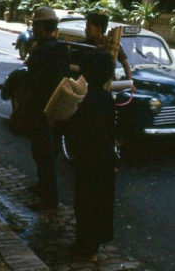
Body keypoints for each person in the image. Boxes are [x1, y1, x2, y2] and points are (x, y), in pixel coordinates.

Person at [68, 49, 117, 261]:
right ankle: (94, 245)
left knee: (86, 202)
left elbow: (77, 129)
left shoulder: (86, 101)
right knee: (100, 202)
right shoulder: (107, 98)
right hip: (105, 158)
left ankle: (86, 247)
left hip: (89, 158)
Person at [25, 7, 70, 211]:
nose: (33, 28)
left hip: (42, 108)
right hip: (55, 107)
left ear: (42, 27)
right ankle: (43, 187)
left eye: (35, 24)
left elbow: (33, 80)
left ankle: (48, 199)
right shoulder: (61, 49)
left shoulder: (41, 51)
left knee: (43, 154)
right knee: (46, 153)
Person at [84, 12, 135, 90]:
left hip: (108, 87)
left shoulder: (112, 45)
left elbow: (125, 64)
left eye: (88, 27)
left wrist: (130, 83)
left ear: (99, 29)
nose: (85, 30)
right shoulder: (84, 45)